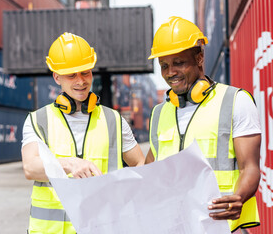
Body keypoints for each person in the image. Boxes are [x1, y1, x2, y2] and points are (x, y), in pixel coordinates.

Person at [145, 16, 261, 233]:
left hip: (219, 226)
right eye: (164, 65)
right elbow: (150, 172)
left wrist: (238, 198)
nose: (170, 72)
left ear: (199, 58)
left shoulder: (235, 101)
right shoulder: (159, 113)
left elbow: (250, 167)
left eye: (179, 62)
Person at [21, 32, 145, 234]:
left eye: (85, 72)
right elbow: (30, 168)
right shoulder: (38, 120)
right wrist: (70, 164)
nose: (81, 80)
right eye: (72, 75)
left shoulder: (113, 120)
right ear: (57, 77)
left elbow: (140, 165)